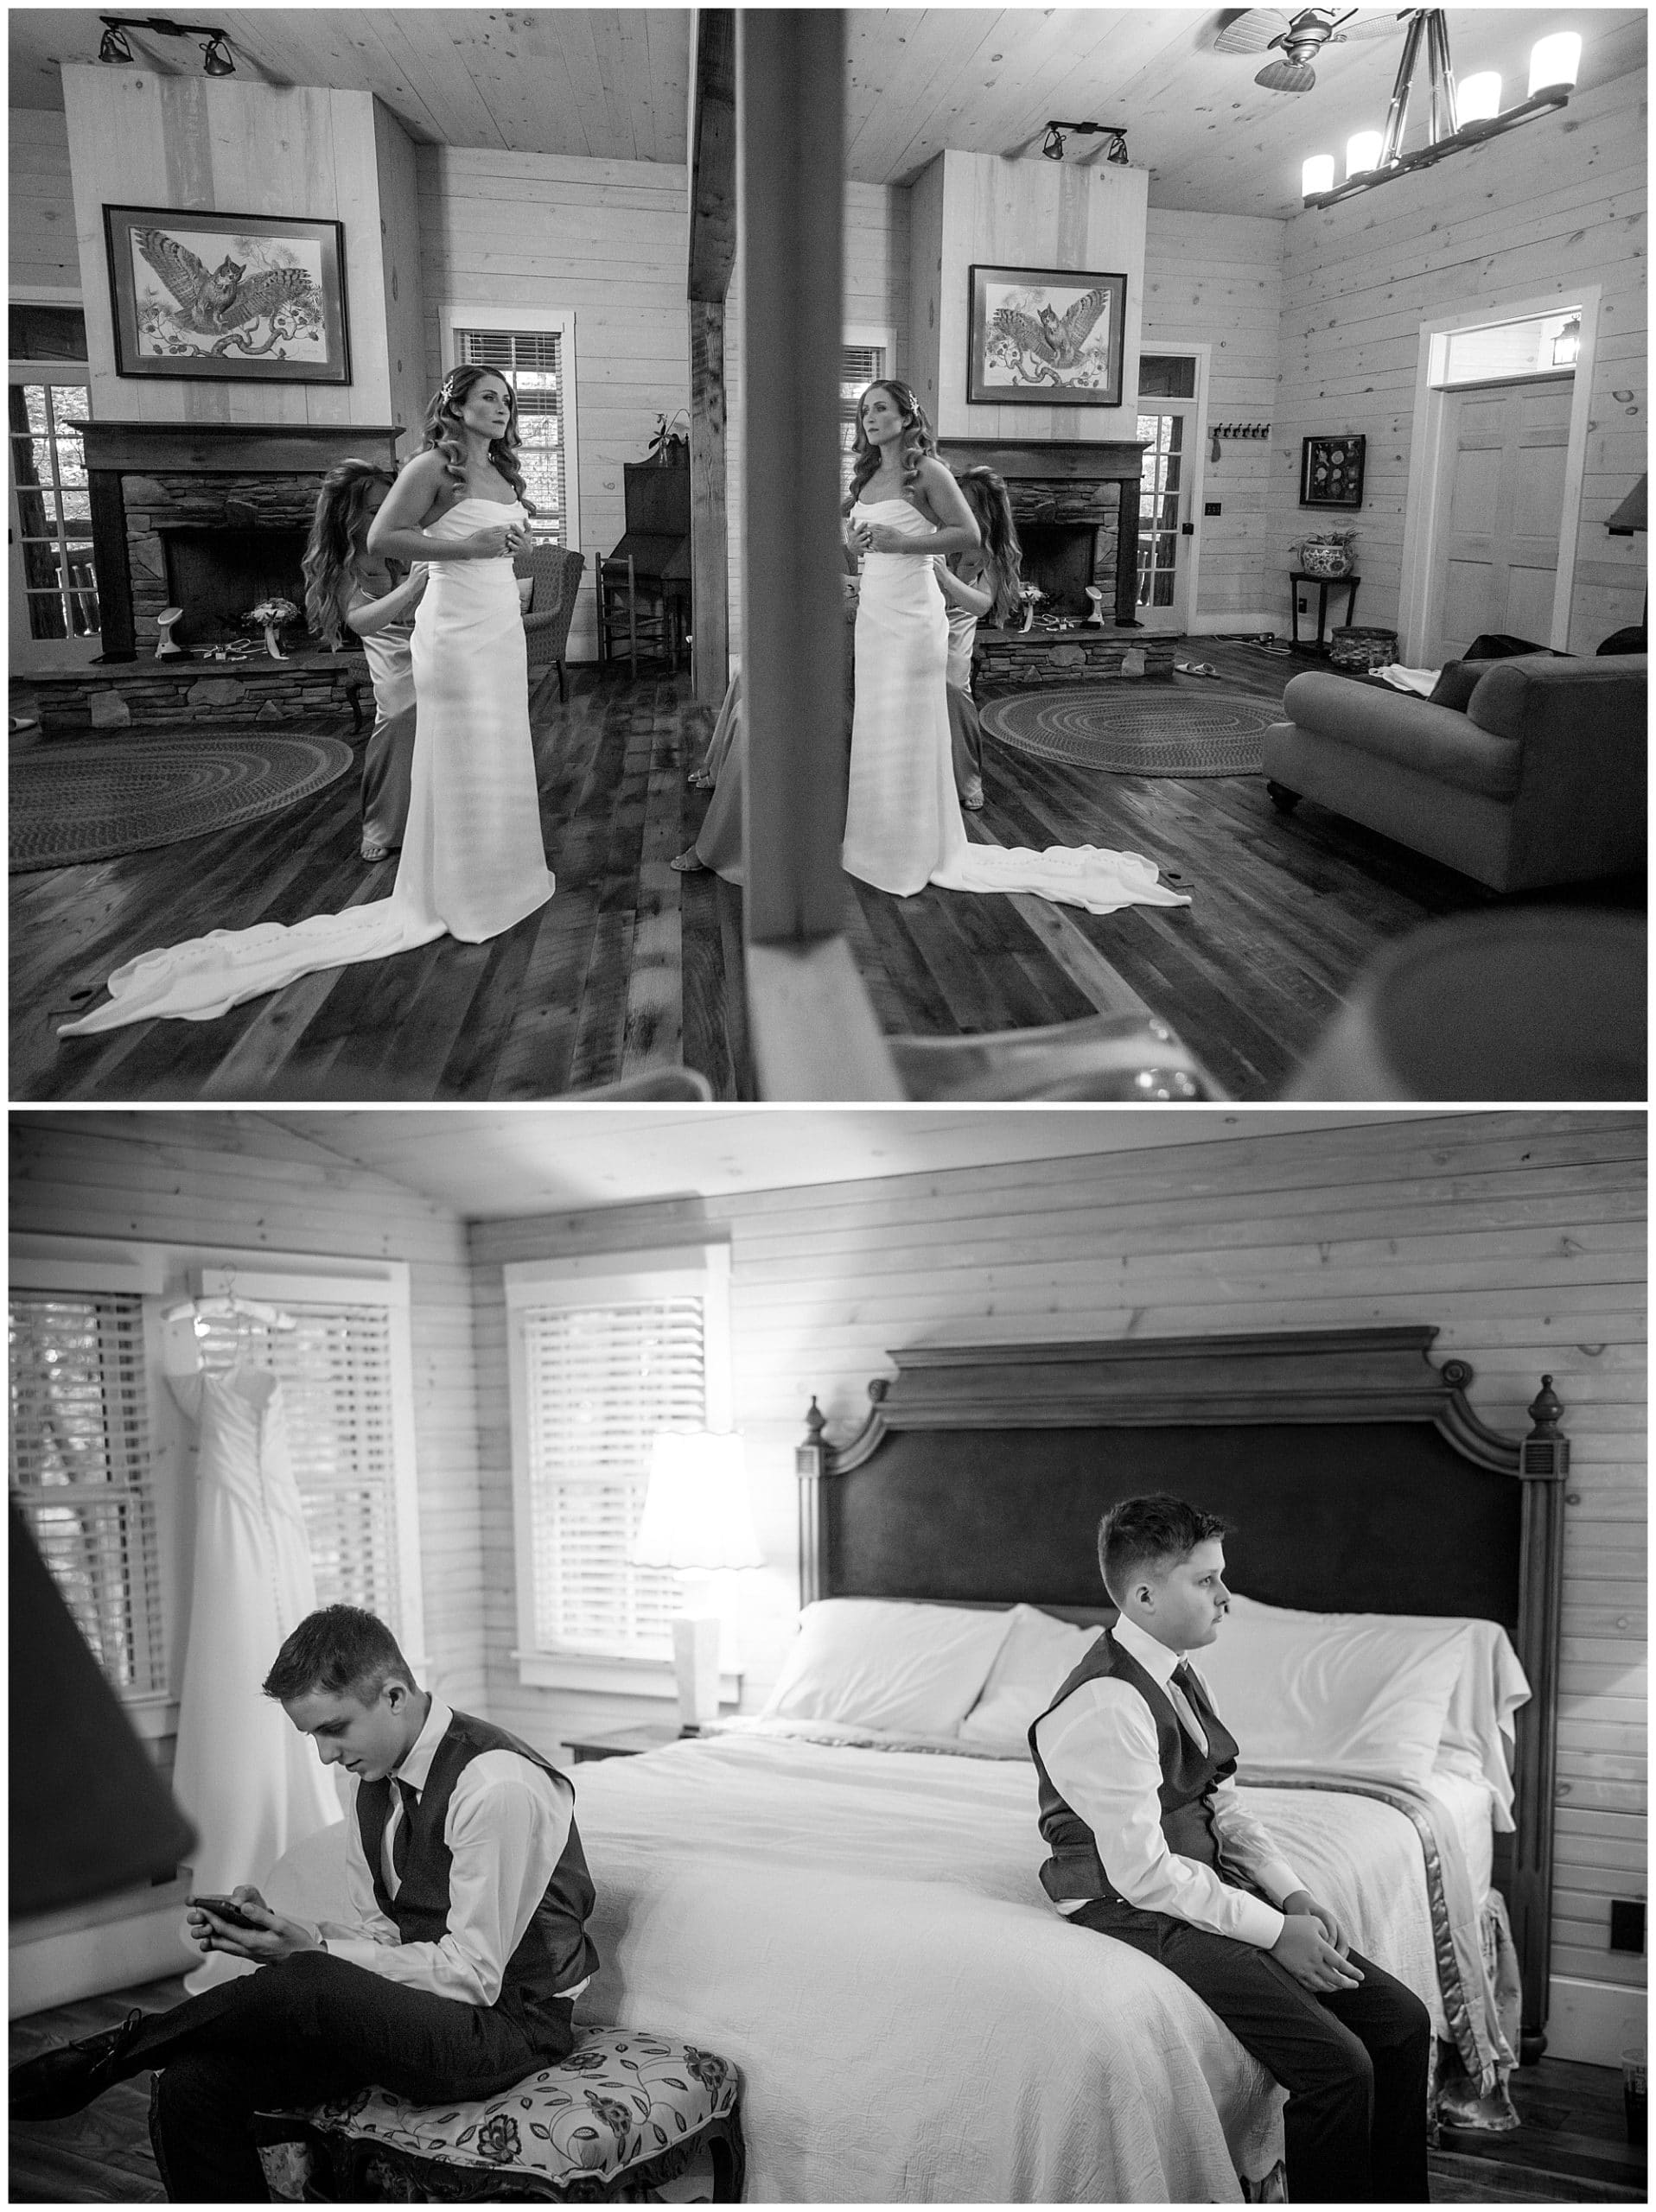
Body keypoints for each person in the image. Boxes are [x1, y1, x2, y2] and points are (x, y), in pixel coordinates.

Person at [10, 1605, 599, 2202]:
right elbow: (386, 1941)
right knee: (192, 2084)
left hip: (508, 2027)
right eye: (312, 1734)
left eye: (334, 1728)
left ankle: (111, 2055)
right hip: (420, 2013)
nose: (324, 1755)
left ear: (394, 1696)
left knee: (312, 1975)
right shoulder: (372, 1782)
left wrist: (313, 1954)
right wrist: (287, 1936)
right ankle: (124, 2057)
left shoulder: (493, 1785)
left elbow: (474, 1977)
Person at [58, 366, 552, 1036]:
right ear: (456, 406)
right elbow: (384, 540)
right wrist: (468, 546)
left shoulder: (503, 471)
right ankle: (461, 890)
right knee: (464, 753)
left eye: (507, 399)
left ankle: (505, 875)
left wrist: (513, 545)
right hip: (457, 625)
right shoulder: (434, 465)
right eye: (488, 396)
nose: (501, 406)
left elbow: (498, 546)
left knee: (500, 748)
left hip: (495, 619)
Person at [1030, 1495, 1430, 2203]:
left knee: (1401, 2024)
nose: (1227, 1597)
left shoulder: (1176, 1673)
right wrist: (1277, 1934)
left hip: (1188, 1881)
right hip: (1124, 1904)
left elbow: (1221, 1800)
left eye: (1221, 1576)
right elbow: (1143, 1875)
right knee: (1338, 2067)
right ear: (1146, 1595)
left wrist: (1290, 1891)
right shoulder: (1108, 1701)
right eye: (1207, 1580)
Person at [841, 379, 1189, 918]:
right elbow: (857, 535)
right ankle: (876, 843)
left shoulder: (927, 472)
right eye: (865, 410)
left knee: (908, 726)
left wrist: (905, 544)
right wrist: (854, 542)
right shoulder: (865, 474)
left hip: (912, 615)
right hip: (876, 612)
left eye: (880, 408)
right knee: (877, 725)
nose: (869, 417)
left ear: (907, 417)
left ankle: (912, 849)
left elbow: (968, 538)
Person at [301, 460, 427, 863]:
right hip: (390, 645)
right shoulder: (342, 562)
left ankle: (435, 818)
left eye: (389, 504)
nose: (384, 514)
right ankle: (381, 826)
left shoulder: (404, 538)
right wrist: (409, 587)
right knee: (398, 718)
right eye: (373, 510)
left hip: (431, 636)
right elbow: (361, 621)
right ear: (347, 516)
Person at [933, 464, 1022, 811]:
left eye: (970, 507)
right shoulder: (939, 528)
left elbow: (981, 605)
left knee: (954, 690)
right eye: (958, 504)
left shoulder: (993, 552)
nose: (961, 512)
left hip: (957, 620)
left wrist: (944, 576)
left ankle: (969, 780)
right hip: (921, 617)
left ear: (986, 512)